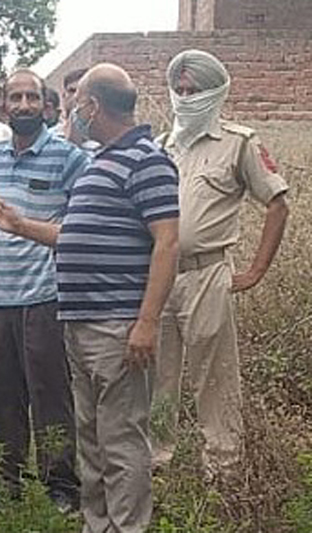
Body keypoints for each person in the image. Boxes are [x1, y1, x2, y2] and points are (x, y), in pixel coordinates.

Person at [0, 64, 179, 533]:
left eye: (75, 103)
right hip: (81, 323)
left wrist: (146, 322)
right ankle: (98, 524)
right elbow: (75, 235)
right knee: (90, 437)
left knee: (122, 439)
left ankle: (128, 526)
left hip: (118, 325)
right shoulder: (102, 161)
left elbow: (168, 242)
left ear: (91, 106)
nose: (68, 110)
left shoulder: (147, 159)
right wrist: (21, 225)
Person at [152, 50, 289, 477]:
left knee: (215, 379)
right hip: (159, 276)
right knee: (157, 377)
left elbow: (277, 204)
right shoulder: (160, 146)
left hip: (208, 273)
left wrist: (254, 272)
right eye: (180, 90)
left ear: (217, 92)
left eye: (196, 90)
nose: (186, 98)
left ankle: (224, 471)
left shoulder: (239, 142)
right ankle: (156, 465)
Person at [0, 69, 87, 511]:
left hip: (44, 296)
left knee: (50, 394)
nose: (22, 105)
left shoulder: (69, 158)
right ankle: (7, 483)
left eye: (30, 97)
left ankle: (61, 488)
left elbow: (81, 223)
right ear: (3, 104)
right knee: (1, 395)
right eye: (15, 97)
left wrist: (24, 227)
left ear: (46, 105)